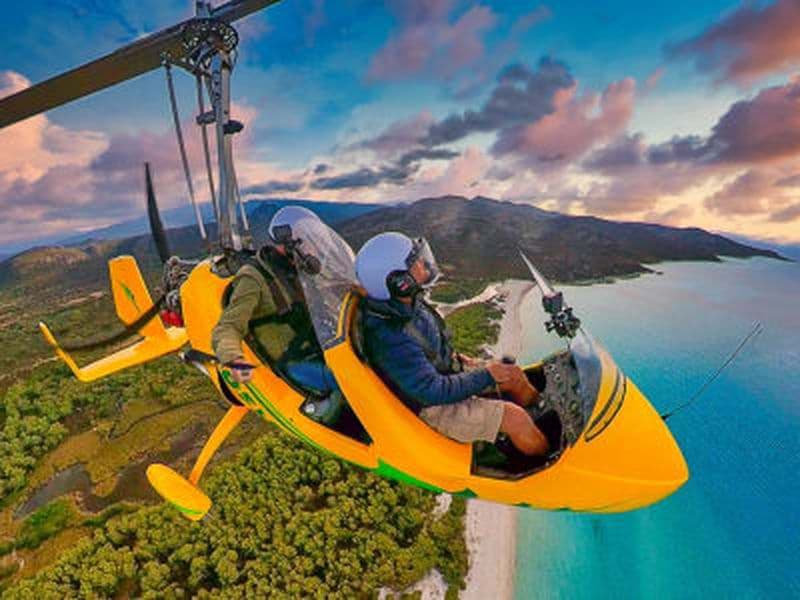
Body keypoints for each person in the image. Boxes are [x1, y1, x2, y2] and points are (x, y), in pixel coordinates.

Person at [355, 232, 549, 456]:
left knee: (513, 375)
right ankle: (546, 457)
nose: (422, 263)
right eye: (414, 263)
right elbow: (431, 391)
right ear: (400, 283)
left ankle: (542, 416)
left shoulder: (407, 303)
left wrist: (459, 359)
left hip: (444, 374)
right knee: (516, 419)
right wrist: (487, 375)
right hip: (433, 407)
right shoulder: (390, 338)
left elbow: (430, 348)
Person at [212, 206, 335, 401]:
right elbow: (227, 328)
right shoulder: (254, 278)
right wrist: (234, 360)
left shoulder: (300, 269)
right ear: (287, 244)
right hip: (293, 361)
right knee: (342, 383)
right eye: (309, 242)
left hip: (320, 347)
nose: (314, 249)